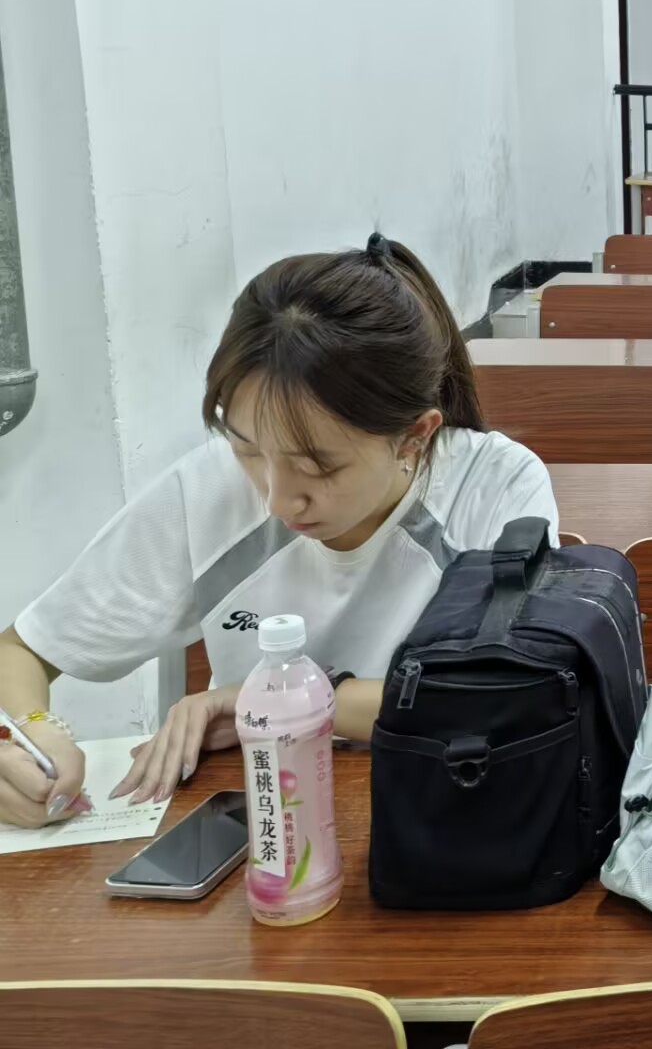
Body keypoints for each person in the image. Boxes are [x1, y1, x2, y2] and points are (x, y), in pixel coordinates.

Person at [0, 235, 558, 827]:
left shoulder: (494, 485)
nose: (276, 498)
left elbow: (512, 696)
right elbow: (22, 649)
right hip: (266, 824)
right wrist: (32, 733)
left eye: (318, 466)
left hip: (450, 820)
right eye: (247, 449)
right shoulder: (207, 488)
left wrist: (275, 699)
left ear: (414, 437)